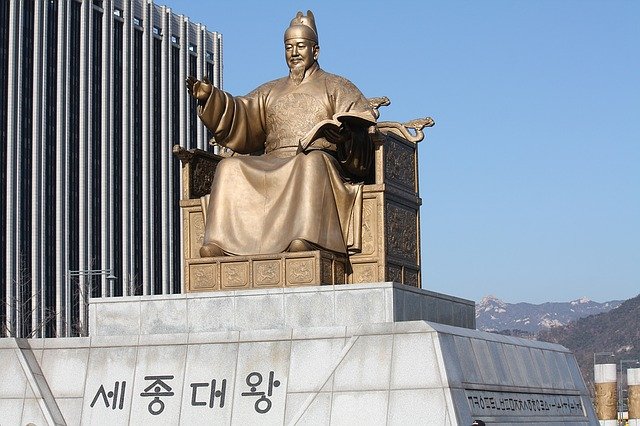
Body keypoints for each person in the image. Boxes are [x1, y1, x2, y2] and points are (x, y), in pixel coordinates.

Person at [186, 10, 376, 257]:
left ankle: (306, 238)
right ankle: (221, 242)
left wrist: (345, 136)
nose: (294, 53)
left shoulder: (338, 86)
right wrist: (211, 98)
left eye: (300, 46)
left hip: (321, 159)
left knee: (310, 162)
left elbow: (362, 124)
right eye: (289, 47)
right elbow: (242, 111)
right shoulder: (271, 90)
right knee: (229, 167)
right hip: (272, 158)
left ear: (315, 51)